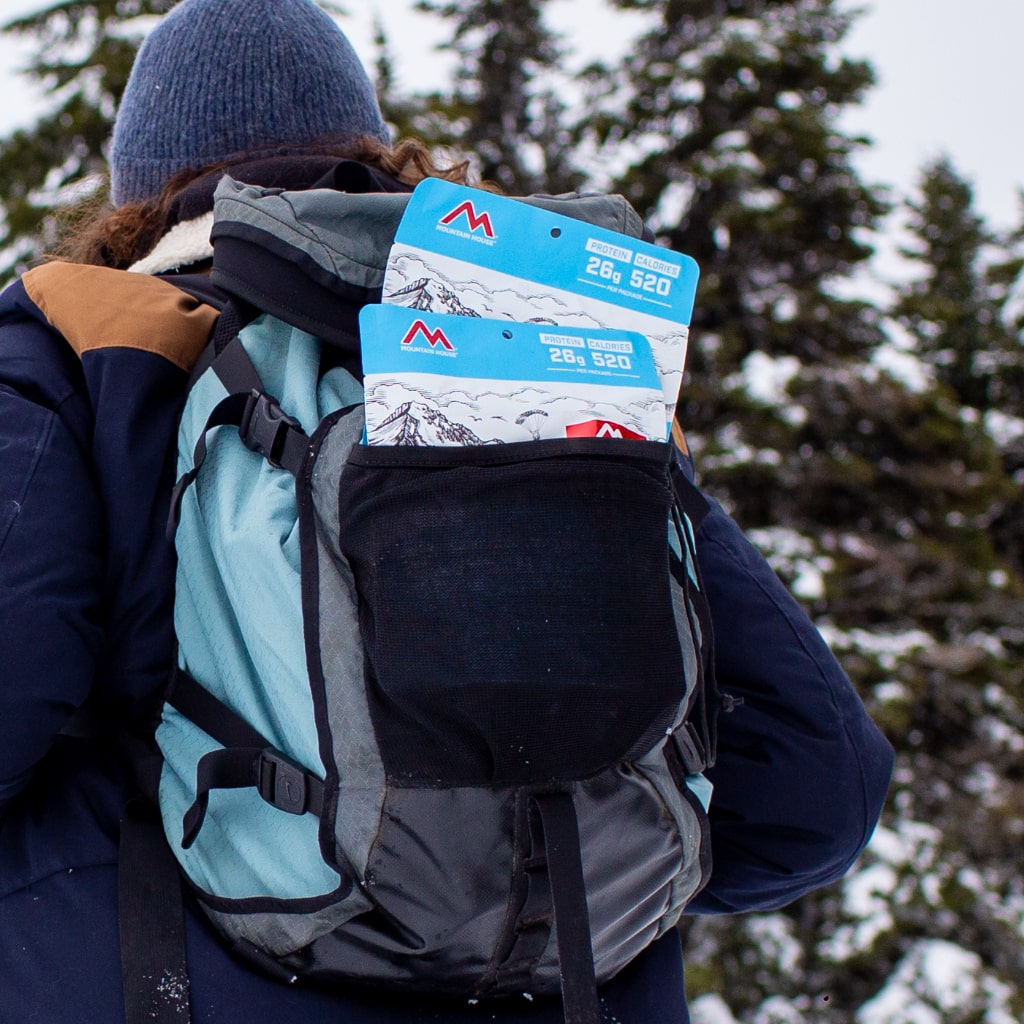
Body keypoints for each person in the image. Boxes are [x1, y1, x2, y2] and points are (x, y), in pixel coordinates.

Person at [0, 1, 895, 1021]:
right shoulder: (558, 358)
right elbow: (819, 788)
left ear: (139, 195)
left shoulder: (77, 338)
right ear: (375, 154)